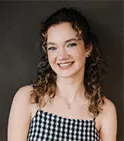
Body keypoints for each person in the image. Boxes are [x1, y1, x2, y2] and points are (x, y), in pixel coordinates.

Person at [7, 7, 117, 141]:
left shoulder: (105, 110)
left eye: (70, 45)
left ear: (88, 48)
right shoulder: (28, 98)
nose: (62, 56)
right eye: (53, 48)